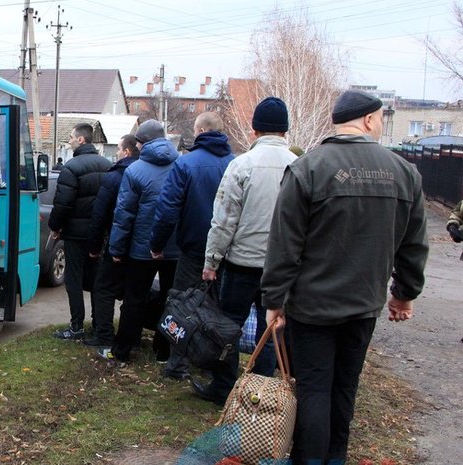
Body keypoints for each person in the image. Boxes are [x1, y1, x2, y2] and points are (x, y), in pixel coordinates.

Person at [262, 90, 429, 465]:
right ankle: (336, 456)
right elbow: (414, 245)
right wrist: (404, 294)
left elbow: (284, 244)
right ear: (369, 120)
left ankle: (310, 459)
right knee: (344, 386)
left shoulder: (307, 169)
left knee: (314, 387)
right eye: (382, 117)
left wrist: (274, 300)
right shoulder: (404, 173)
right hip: (363, 305)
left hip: (311, 306)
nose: (381, 123)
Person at [191, 97, 297, 405]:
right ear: (285, 130)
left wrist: (211, 261)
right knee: (270, 328)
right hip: (281, 267)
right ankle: (260, 392)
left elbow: (223, 221)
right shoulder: (300, 166)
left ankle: (224, 386)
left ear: (254, 129)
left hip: (240, 264)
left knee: (229, 328)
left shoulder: (242, 165)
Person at [149, 111, 234, 379]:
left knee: (181, 306)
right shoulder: (236, 163)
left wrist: (157, 244)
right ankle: (214, 365)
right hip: (228, 252)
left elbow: (167, 209)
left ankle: (177, 364)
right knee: (219, 310)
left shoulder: (186, 164)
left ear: (199, 131)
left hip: (194, 248)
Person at [99, 120, 180, 364]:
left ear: (141, 144)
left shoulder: (135, 170)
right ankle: (164, 352)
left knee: (134, 299)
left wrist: (116, 248)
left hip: (141, 248)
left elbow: (124, 215)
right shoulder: (181, 165)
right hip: (175, 248)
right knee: (172, 299)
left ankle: (123, 351)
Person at [49, 123, 112, 339]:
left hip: (75, 234)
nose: (70, 142)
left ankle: (76, 326)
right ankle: (98, 323)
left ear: (81, 140)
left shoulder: (71, 167)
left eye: (71, 138)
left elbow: (63, 203)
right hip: (100, 233)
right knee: (97, 280)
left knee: (74, 280)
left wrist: (55, 227)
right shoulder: (107, 166)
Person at [83, 134, 140, 347]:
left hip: (115, 241)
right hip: (141, 246)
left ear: (126, 152)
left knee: (103, 289)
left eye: (118, 149)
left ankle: (104, 335)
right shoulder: (149, 173)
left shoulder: (115, 176)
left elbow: (99, 214)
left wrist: (94, 246)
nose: (116, 153)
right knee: (133, 293)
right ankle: (130, 338)